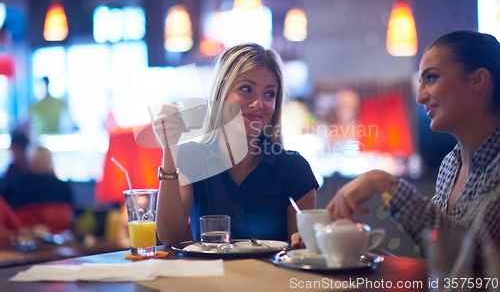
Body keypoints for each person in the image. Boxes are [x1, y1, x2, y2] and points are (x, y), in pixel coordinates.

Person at [326, 30, 500, 259]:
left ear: (478, 80)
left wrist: (384, 182)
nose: (420, 97)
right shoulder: (450, 165)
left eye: (432, 78)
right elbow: (437, 251)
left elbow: (471, 253)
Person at [153, 43, 318, 246]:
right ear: (222, 93)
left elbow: (301, 252)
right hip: (210, 277)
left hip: (271, 278)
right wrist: (169, 148)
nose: (258, 103)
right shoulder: (191, 157)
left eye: (269, 94)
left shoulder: (294, 167)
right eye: (246, 89)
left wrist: (307, 242)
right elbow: (169, 236)